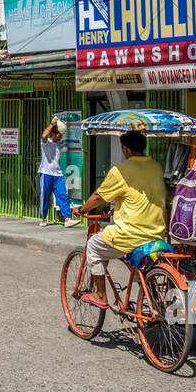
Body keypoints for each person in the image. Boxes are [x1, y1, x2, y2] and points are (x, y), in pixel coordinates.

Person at [72, 130, 169, 310]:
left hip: (130, 235)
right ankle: (155, 300)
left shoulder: (120, 171)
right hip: (156, 233)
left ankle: (101, 296)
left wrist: (81, 209)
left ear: (125, 149)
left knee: (93, 245)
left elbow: (98, 197)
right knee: (140, 266)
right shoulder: (156, 167)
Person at [39, 116, 81, 228]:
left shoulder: (58, 144)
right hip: (46, 173)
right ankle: (43, 218)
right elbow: (44, 135)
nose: (61, 137)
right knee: (44, 197)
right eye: (59, 135)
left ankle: (67, 219)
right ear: (54, 134)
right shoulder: (46, 143)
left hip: (58, 175)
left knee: (63, 196)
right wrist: (52, 124)